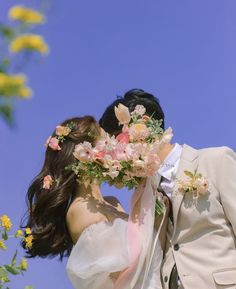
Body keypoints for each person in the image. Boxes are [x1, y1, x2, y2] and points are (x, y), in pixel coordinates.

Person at [99, 89, 236, 289]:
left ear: (142, 124)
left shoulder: (216, 160)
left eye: (118, 143)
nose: (117, 154)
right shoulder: (144, 193)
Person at [22, 116, 168, 289]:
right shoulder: (79, 211)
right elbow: (126, 273)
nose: (115, 148)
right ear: (85, 154)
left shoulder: (113, 203)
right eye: (106, 142)